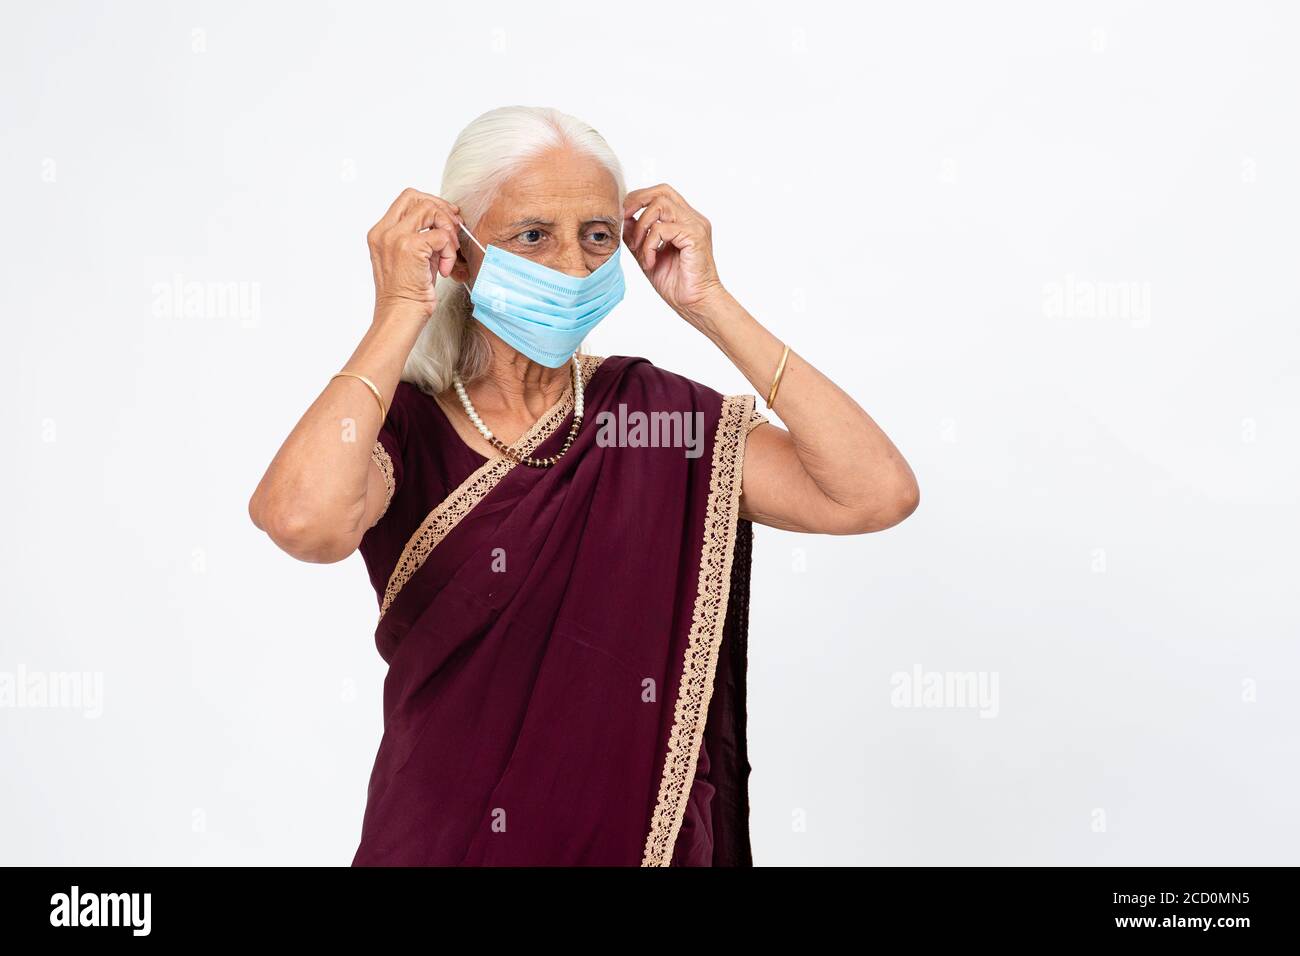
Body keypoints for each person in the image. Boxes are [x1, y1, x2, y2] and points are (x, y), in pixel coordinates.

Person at [248, 105, 919, 865]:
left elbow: (872, 493)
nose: (573, 266)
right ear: (459, 251)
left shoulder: (653, 418)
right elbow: (302, 522)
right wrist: (401, 309)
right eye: (532, 235)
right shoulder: (401, 427)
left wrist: (711, 306)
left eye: (597, 237)